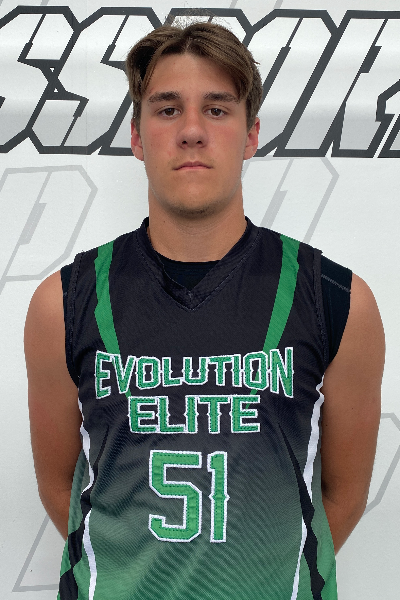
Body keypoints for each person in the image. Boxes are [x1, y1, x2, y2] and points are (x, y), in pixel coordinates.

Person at [25, 22, 385, 600]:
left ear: (251, 135)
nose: (192, 131)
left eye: (217, 110)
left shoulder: (337, 300)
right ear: (137, 136)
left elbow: (341, 497)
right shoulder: (62, 303)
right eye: (167, 110)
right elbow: (62, 488)